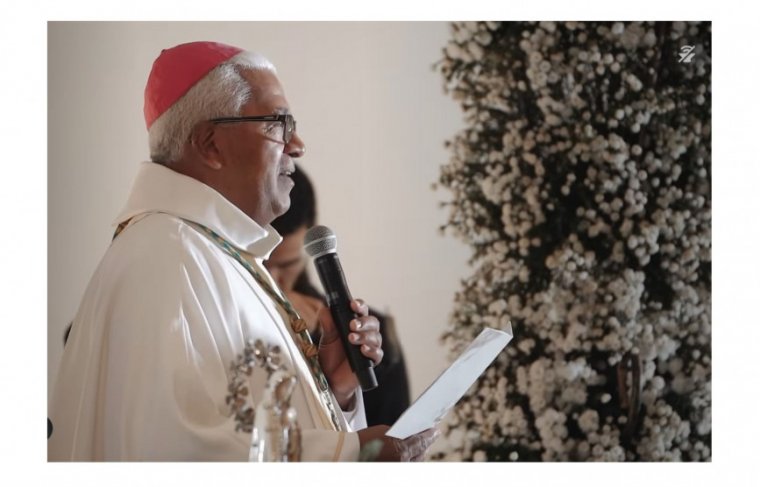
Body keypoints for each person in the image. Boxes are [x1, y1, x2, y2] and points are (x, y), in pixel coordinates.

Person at [48, 41, 437, 461]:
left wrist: (330, 388)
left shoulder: (214, 252)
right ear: (211, 144)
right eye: (278, 124)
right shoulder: (166, 257)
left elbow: (237, 427)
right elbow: (175, 452)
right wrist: (352, 454)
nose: (298, 144)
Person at [266, 164, 411, 426]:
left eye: (287, 265)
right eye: (262, 263)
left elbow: (392, 447)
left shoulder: (367, 339)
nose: (274, 279)